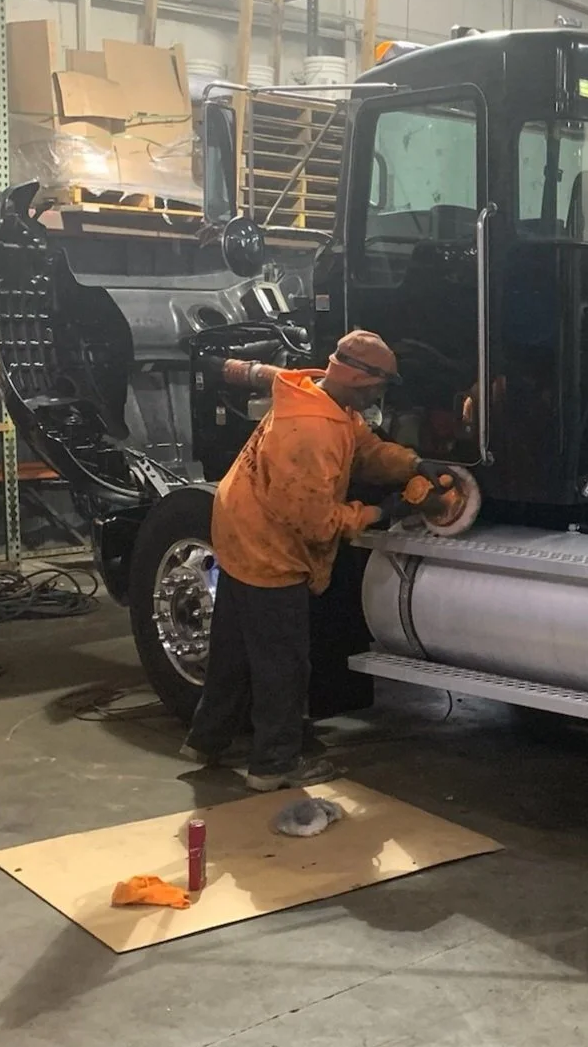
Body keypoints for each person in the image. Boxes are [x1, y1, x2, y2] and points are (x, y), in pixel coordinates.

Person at [183, 330, 443, 790]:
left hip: (239, 524)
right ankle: (275, 765)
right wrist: (383, 512)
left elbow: (362, 449)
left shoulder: (321, 400)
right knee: (282, 661)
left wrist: (408, 464)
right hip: (268, 544)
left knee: (235, 649)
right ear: (362, 383)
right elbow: (317, 522)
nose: (380, 396)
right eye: (379, 388)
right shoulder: (312, 433)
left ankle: (208, 740)